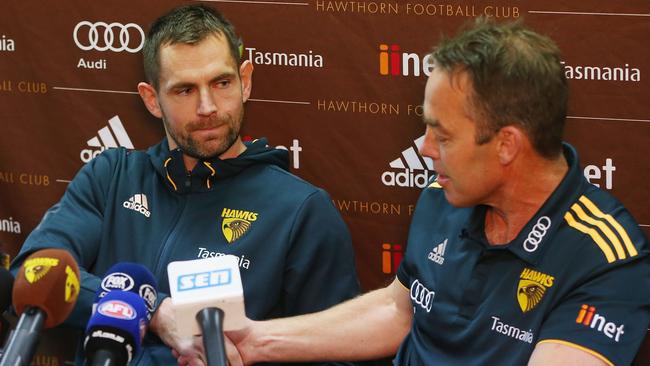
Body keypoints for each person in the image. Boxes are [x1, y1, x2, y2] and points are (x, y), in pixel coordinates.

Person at [223, 19, 650, 366]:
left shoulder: (607, 261)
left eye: (442, 136)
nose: (424, 150)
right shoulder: (441, 195)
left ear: (507, 145)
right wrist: (257, 341)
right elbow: (399, 310)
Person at [10, 4, 359, 365]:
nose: (208, 106)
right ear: (152, 99)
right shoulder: (111, 177)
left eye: (221, 83)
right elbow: (33, 274)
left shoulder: (301, 210)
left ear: (246, 80)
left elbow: (338, 354)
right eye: (185, 90)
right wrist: (156, 312)